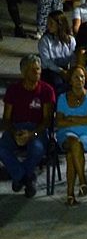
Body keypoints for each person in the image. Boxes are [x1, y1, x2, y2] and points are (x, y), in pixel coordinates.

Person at [0, 55, 55, 198]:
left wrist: (32, 134)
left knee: (37, 149)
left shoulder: (47, 90)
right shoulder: (13, 90)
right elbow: (6, 118)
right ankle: (26, 178)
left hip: (37, 129)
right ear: (24, 72)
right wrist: (14, 133)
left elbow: (47, 119)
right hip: (16, 127)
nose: (37, 72)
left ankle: (19, 176)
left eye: (38, 69)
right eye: (33, 70)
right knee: (1, 148)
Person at [55, 66, 87, 206]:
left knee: (71, 153)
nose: (80, 80)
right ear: (70, 80)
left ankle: (70, 195)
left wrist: (71, 118)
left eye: (82, 76)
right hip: (65, 134)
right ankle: (82, 180)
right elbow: (59, 122)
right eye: (76, 77)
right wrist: (82, 119)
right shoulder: (62, 98)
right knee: (73, 142)